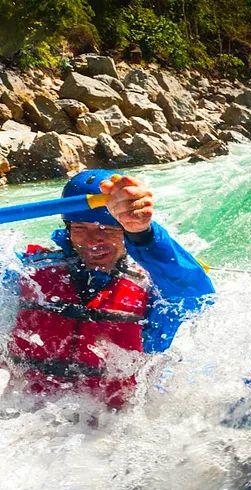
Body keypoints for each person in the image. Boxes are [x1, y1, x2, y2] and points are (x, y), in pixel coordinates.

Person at [3, 170, 215, 409]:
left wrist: (143, 235)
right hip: (25, 416)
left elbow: (196, 296)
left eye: (107, 228)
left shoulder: (151, 287)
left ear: (126, 231)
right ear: (67, 227)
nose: (93, 241)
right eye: (81, 228)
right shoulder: (27, 272)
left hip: (111, 430)